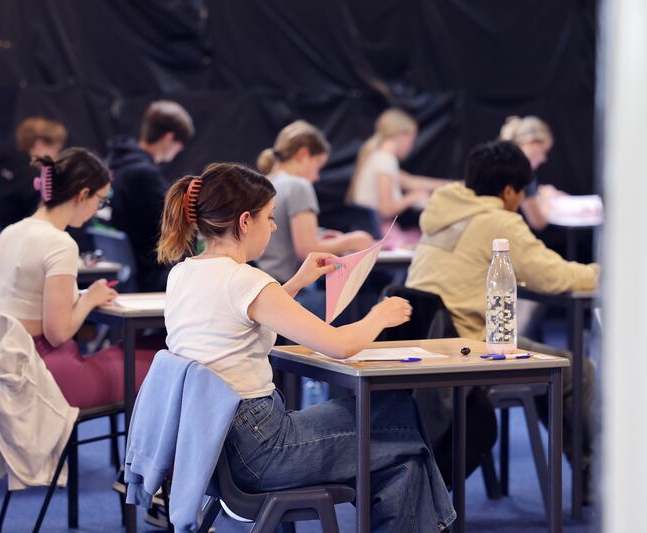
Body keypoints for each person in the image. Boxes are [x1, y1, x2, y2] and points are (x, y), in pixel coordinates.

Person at [157, 162, 455, 532]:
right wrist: (380, 315)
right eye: (269, 217)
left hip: (214, 448)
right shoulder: (246, 280)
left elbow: (241, 314)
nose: (274, 226)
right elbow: (339, 345)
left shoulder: (185, 273)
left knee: (401, 450)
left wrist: (296, 282)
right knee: (405, 434)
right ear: (245, 221)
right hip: (262, 451)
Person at [406, 140, 598, 499]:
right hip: (472, 344)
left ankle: (585, 472)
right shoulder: (498, 220)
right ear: (509, 190)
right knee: (577, 370)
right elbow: (556, 277)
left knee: (550, 365)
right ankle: (593, 474)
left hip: (430, 339)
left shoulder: (445, 208)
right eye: (522, 193)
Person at [0, 148, 127, 408]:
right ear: (83, 195)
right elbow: (57, 334)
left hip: (0, 365)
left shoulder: (9, 233)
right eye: (100, 201)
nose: (96, 210)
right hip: (44, 372)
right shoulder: (61, 244)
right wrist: (88, 299)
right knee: (149, 361)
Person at [256, 120, 374, 317]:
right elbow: (307, 249)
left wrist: (321, 235)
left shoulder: (265, 182)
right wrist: (354, 239)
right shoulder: (299, 185)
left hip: (267, 285)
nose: (317, 177)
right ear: (303, 154)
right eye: (318, 166)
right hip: (292, 290)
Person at [108, 100, 194, 292]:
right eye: (179, 146)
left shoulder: (116, 165)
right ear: (169, 138)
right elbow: (177, 222)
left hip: (128, 267)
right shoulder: (144, 175)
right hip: (149, 273)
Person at [348, 108, 449, 231]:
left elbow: (411, 182)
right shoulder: (385, 160)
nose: (411, 146)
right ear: (402, 135)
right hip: (379, 232)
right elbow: (386, 210)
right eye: (411, 140)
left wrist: (450, 184)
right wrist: (411, 198)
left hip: (372, 228)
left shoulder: (379, 156)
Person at [0, 117, 67, 229]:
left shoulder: (2, 161)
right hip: (12, 234)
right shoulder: (35, 177)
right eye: (56, 149)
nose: (56, 155)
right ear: (39, 144)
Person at [499, 115, 563, 231]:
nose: (544, 159)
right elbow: (538, 222)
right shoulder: (522, 172)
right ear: (531, 142)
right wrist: (548, 199)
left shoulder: (498, 160)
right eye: (543, 151)